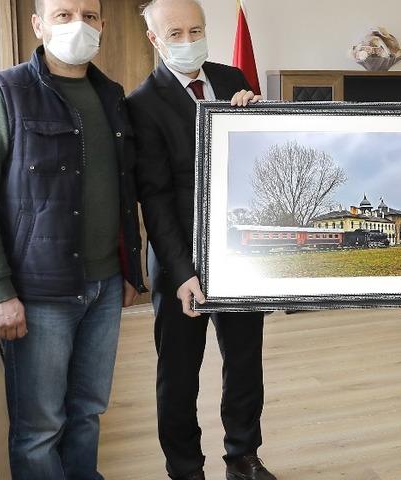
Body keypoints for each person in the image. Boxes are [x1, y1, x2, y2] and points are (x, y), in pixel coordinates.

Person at [0, 0, 145, 477]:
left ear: (101, 24)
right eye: (63, 14)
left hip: (104, 287)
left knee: (88, 412)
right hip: (38, 296)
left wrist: (129, 270)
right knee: (39, 430)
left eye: (89, 15)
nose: (79, 24)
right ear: (38, 24)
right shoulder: (1, 93)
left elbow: (123, 190)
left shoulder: (112, 95)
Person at [126, 1, 273, 479]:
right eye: (176, 32)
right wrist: (182, 271)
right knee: (179, 374)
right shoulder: (142, 103)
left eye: (197, 29)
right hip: (180, 264)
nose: (189, 40)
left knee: (245, 363)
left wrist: (258, 119)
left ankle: (243, 456)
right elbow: (155, 197)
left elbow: (262, 161)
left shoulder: (233, 78)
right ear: (155, 38)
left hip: (241, 257)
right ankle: (185, 468)